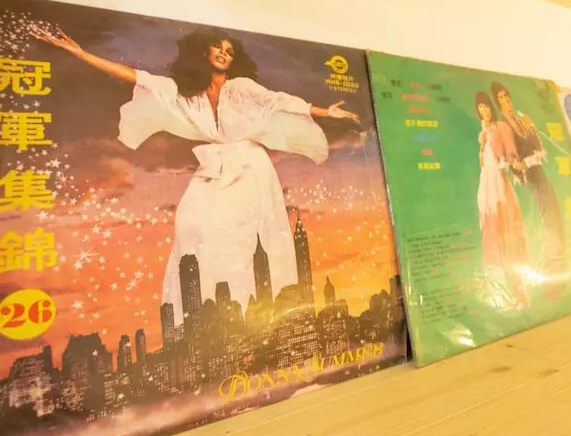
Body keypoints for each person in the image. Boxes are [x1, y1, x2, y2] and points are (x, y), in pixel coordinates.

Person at [32, 26, 358, 325]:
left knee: (248, 238)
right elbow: (138, 78)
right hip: (214, 167)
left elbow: (279, 101)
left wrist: (325, 111)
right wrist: (81, 54)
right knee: (189, 220)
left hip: (250, 166)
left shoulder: (241, 87)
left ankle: (258, 309)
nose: (223, 54)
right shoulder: (187, 93)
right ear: (205, 51)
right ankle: (215, 309)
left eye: (229, 51)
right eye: (218, 48)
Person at [490, 81, 565, 273]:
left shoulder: (522, 118)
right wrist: (515, 163)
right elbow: (507, 156)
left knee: (553, 210)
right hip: (526, 176)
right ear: (498, 102)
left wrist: (531, 127)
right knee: (541, 215)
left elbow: (538, 145)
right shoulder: (502, 126)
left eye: (506, 95)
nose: (506, 99)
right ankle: (545, 262)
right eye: (501, 97)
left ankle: (556, 259)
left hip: (538, 169)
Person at [474, 92, 529, 307]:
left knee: (508, 237)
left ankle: (519, 292)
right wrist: (482, 142)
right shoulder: (483, 132)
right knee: (492, 237)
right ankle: (501, 294)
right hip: (486, 186)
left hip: (499, 184)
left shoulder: (501, 127)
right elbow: (482, 163)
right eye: (480, 107)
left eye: (486, 106)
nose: (484, 110)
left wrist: (514, 163)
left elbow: (511, 154)